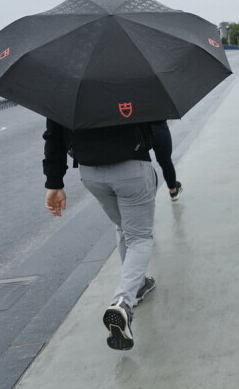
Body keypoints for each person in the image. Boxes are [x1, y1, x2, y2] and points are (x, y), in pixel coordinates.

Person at [43, 119, 158, 351]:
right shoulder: (132, 82)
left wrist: (54, 182)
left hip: (91, 172)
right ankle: (122, 303)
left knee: (123, 227)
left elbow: (53, 135)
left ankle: (138, 285)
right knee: (139, 237)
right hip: (132, 166)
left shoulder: (66, 88)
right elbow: (155, 118)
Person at [150, 121, 183, 201]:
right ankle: (173, 190)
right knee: (165, 160)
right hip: (158, 126)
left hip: (139, 129)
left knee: (141, 162)